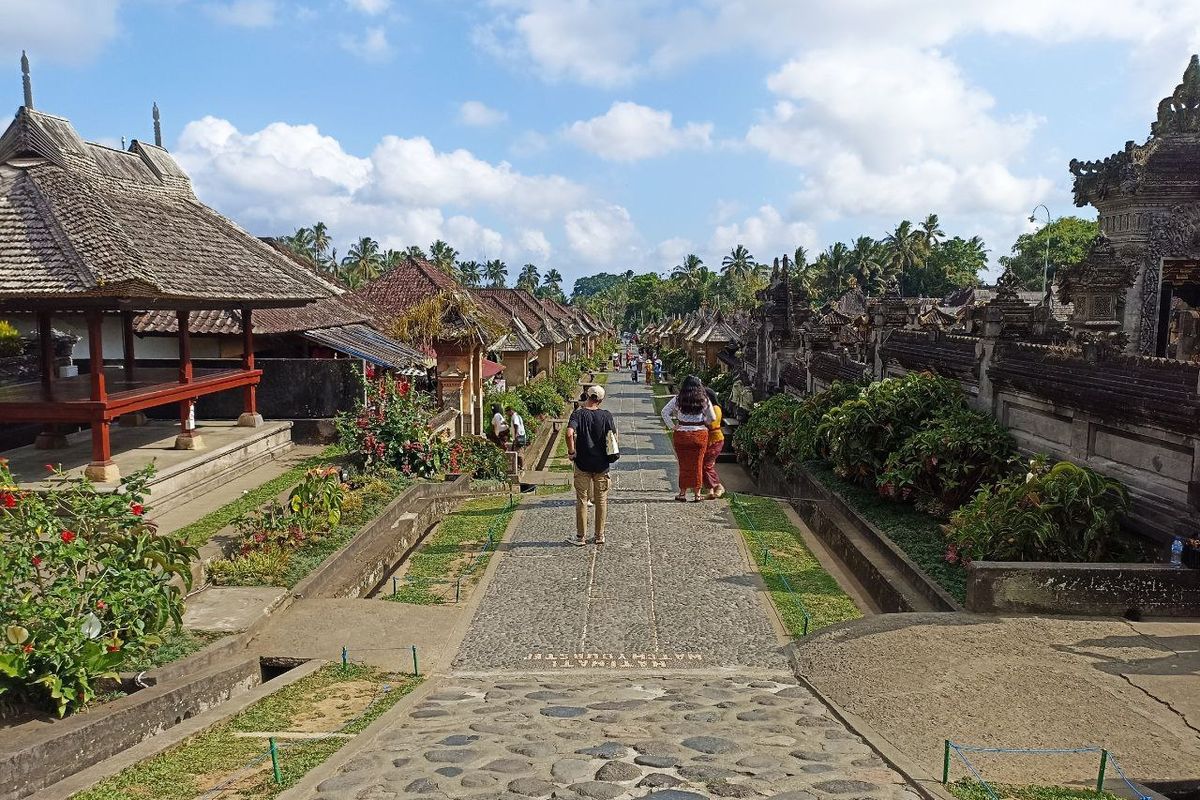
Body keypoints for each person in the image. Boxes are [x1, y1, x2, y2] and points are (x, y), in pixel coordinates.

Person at [566, 384, 616, 546]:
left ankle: (581, 537)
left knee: (581, 499)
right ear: (601, 400)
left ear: (587, 396)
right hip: (602, 463)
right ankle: (599, 535)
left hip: (582, 462)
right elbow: (613, 437)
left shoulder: (578, 414)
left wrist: (572, 450)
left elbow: (569, 433)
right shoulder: (606, 416)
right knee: (601, 500)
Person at [661, 375, 715, 502]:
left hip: (682, 434)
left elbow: (664, 412)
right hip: (700, 434)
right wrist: (704, 422)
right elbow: (712, 417)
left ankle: (682, 493)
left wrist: (673, 426)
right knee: (698, 464)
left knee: (683, 464)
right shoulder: (704, 399)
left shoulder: (678, 399)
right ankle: (697, 494)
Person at [701, 387, 726, 499]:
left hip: (715, 440)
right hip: (708, 439)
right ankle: (710, 490)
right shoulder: (707, 408)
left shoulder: (715, 408)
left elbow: (712, 424)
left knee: (706, 465)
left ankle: (718, 486)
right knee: (704, 464)